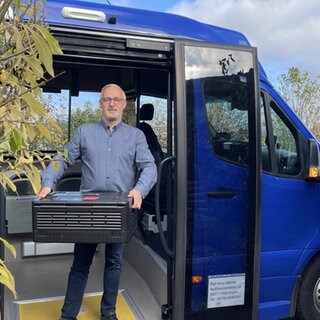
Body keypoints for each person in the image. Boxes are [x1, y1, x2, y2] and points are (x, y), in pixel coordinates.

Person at [38, 84, 157, 320]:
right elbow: (61, 159)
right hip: (89, 209)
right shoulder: (84, 132)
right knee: (81, 263)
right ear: (100, 104)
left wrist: (139, 190)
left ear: (124, 105)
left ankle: (108, 312)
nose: (111, 103)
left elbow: (149, 167)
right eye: (107, 99)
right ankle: (68, 315)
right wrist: (48, 182)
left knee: (114, 262)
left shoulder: (136, 136)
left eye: (117, 100)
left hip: (119, 209)